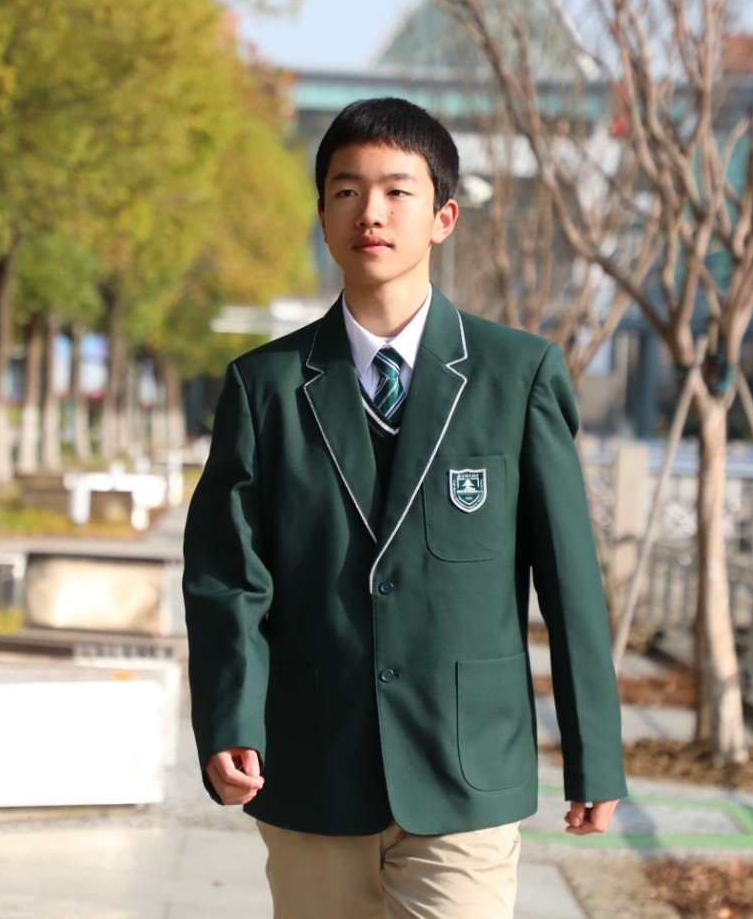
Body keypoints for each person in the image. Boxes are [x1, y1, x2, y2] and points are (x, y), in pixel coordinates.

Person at [182, 97, 625, 918]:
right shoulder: (263, 387)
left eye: (396, 191)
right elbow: (228, 579)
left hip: (464, 769)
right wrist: (228, 719)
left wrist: (594, 753)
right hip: (313, 766)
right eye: (347, 191)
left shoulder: (517, 375)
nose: (371, 213)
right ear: (323, 217)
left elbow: (570, 583)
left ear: (443, 217)